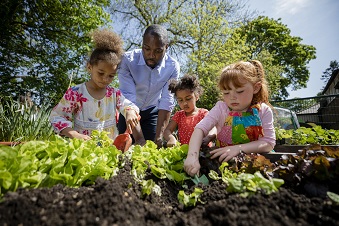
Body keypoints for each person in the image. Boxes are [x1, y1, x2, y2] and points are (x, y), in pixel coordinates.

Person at [184, 60, 276, 177]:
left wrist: (238, 149)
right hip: (224, 165)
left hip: (256, 166)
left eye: (239, 91)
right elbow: (200, 129)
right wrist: (192, 156)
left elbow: (268, 143)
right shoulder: (221, 108)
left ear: (256, 88)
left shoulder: (263, 111)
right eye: (226, 92)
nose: (232, 97)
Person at [49, 29, 140, 141]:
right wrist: (75, 135)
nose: (105, 79)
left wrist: (130, 112)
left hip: (109, 150)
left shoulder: (114, 94)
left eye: (111, 76)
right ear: (89, 67)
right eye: (101, 73)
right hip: (83, 150)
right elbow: (57, 117)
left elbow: (127, 105)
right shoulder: (75, 93)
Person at [118, 24, 180, 147]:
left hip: (152, 111)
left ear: (166, 47)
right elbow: (129, 97)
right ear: (142, 44)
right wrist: (139, 138)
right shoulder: (127, 60)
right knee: (124, 150)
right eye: (147, 49)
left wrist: (159, 136)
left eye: (158, 51)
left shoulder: (172, 66)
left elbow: (167, 100)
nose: (151, 55)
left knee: (153, 147)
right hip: (128, 111)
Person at [163, 74, 216, 147]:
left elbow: (214, 128)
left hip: (203, 151)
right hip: (185, 153)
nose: (185, 103)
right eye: (180, 100)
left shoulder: (203, 113)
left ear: (196, 96)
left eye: (188, 99)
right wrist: (171, 138)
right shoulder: (179, 115)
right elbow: (167, 131)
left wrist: (208, 138)